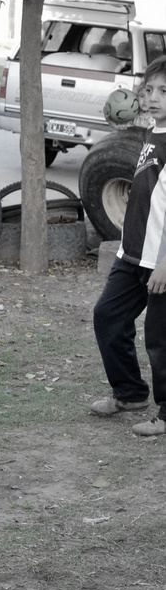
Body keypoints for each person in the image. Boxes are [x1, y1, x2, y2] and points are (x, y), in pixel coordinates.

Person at [91, 55, 166, 437]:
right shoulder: (154, 132)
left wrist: (165, 263)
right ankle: (131, 393)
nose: (153, 98)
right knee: (108, 317)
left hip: (161, 261)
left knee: (160, 338)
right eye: (149, 89)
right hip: (132, 253)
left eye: (164, 91)